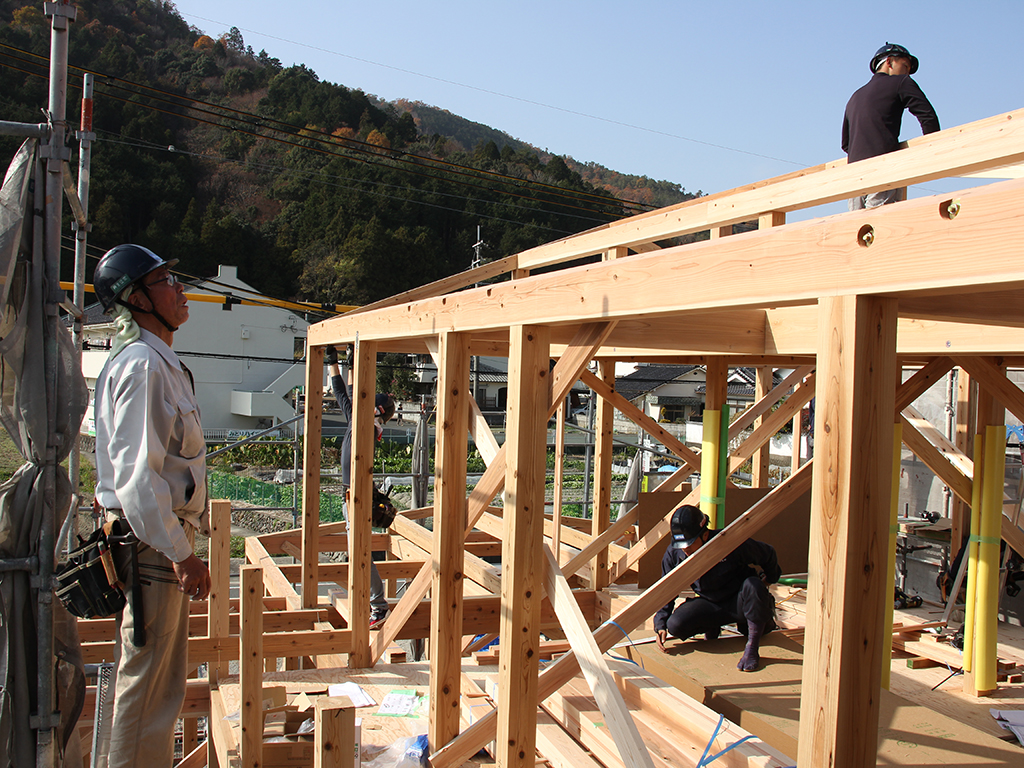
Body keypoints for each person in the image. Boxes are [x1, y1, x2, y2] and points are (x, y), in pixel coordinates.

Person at [91, 244, 211, 767]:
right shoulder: (142, 367)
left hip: (153, 546)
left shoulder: (158, 363)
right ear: (136, 299)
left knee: (158, 688)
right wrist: (182, 555)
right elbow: (140, 481)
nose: (179, 290)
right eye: (166, 281)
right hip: (151, 548)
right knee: (148, 697)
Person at [654, 505, 780, 672]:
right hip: (710, 603)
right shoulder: (674, 554)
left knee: (753, 585)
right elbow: (667, 588)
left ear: (705, 535)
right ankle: (712, 627)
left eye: (690, 545)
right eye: (681, 545)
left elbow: (767, 553)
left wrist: (770, 578)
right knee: (676, 625)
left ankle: (752, 645)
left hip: (740, 602)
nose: (685, 549)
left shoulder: (728, 542)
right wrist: (660, 623)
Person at [325, 344, 396, 628]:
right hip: (354, 496)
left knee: (360, 553)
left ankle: (378, 606)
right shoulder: (364, 424)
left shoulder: (362, 425)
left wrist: (334, 363)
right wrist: (351, 363)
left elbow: (344, 395)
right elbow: (353, 395)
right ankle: (373, 603)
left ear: (376, 411)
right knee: (359, 551)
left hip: (356, 499)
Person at [842, 42, 940, 209]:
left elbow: (845, 144)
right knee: (881, 226)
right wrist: (932, 150)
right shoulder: (901, 82)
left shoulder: (855, 97)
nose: (907, 72)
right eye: (905, 65)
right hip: (883, 168)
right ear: (889, 62)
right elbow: (928, 117)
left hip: (853, 177)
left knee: (857, 229)